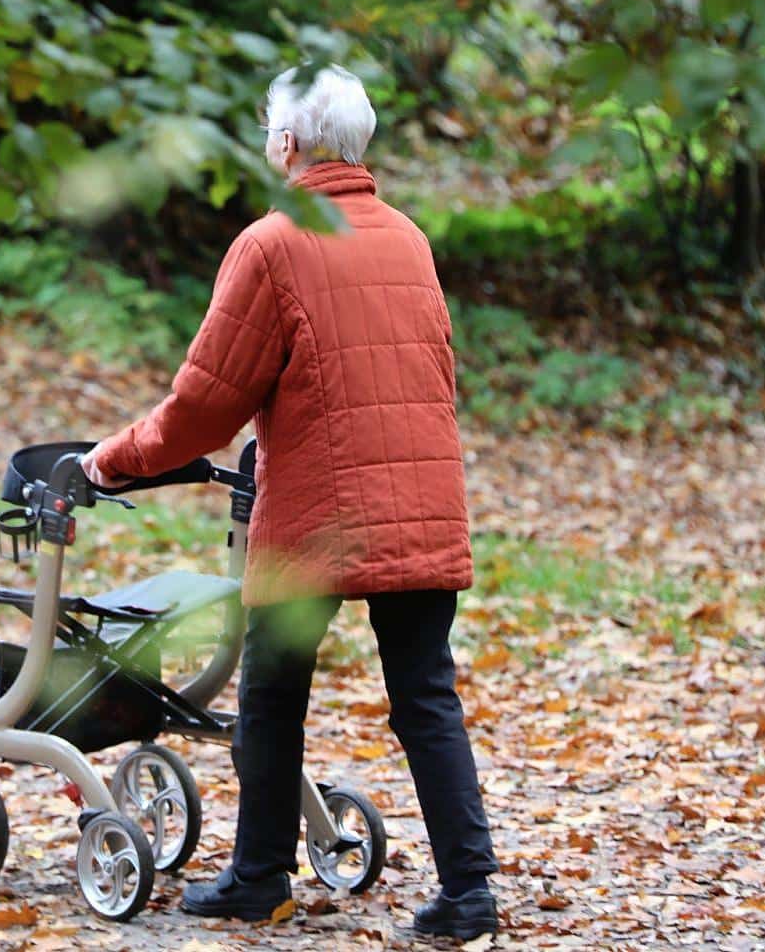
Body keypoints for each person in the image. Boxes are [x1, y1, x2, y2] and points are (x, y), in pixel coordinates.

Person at [82, 64, 499, 941]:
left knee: (271, 694)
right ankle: (470, 892)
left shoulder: (272, 245)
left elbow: (205, 405)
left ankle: (260, 876)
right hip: (423, 496)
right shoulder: (410, 240)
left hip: (319, 511)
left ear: (286, 143)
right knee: (426, 694)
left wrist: (114, 462)